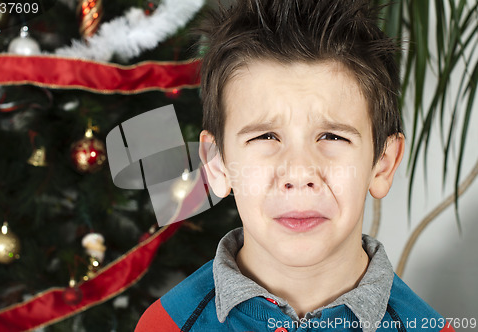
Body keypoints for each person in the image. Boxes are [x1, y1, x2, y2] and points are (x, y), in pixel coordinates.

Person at [135, 0, 454, 331]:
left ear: (382, 164)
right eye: (266, 136)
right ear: (217, 164)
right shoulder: (166, 325)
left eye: (332, 136)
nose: (299, 173)